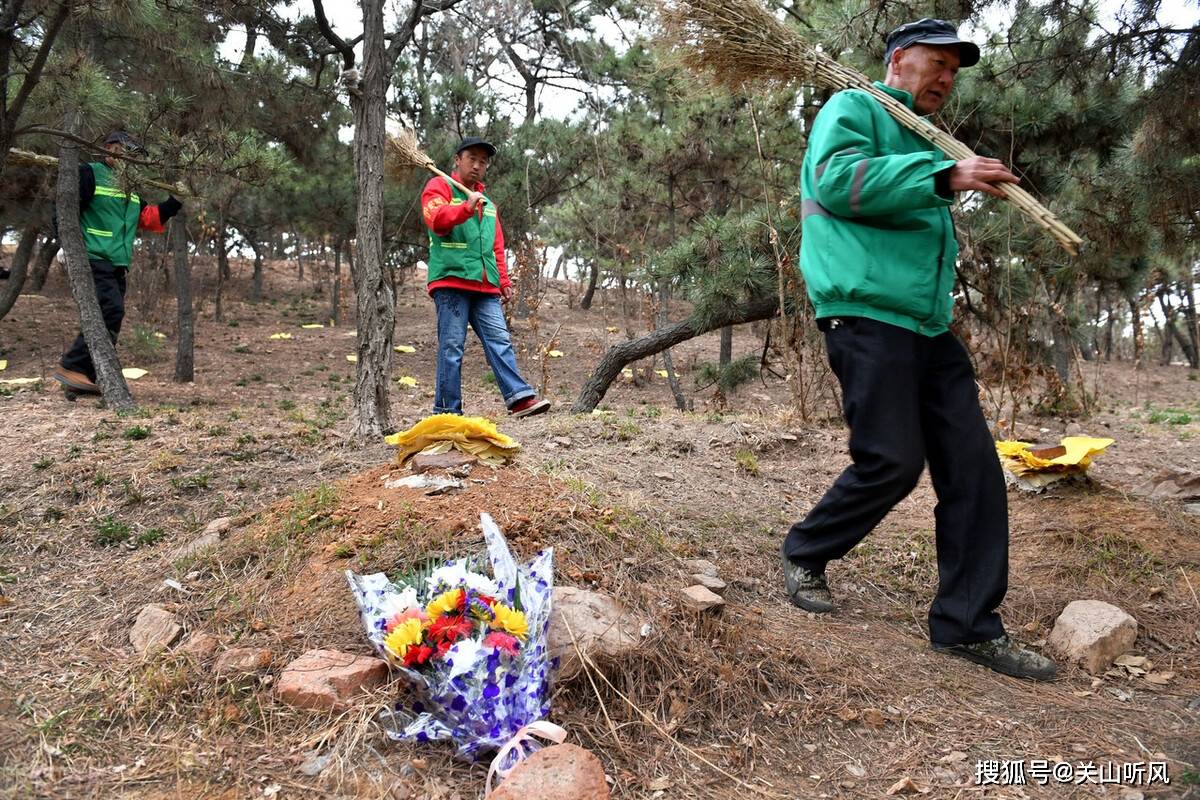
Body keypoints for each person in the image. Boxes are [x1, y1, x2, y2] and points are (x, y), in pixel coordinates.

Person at [782, 19, 1056, 680]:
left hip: (928, 326)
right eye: (937, 63)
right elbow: (839, 183)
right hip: (865, 312)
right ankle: (805, 550)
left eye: (954, 72)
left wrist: (944, 168)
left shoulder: (927, 139)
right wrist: (944, 175)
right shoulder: (856, 108)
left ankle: (967, 625)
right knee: (892, 461)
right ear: (900, 60)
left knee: (975, 472)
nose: (945, 79)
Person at [420, 136, 550, 418]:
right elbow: (437, 221)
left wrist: (502, 280)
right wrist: (465, 208)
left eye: (483, 161)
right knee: (452, 347)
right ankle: (447, 411)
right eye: (472, 159)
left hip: (485, 285)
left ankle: (518, 399)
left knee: (499, 339)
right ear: (458, 160)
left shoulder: (488, 204)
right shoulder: (439, 187)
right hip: (451, 280)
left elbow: (496, 246)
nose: (478, 165)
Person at [52, 131, 182, 394]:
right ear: (111, 149)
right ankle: (72, 366)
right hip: (93, 258)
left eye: (136, 157)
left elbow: (150, 219)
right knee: (110, 311)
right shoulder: (90, 173)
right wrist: (64, 244)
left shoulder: (130, 189)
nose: (132, 161)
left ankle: (82, 378)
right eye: (129, 154)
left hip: (117, 264)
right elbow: (64, 209)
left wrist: (177, 201)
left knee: (110, 318)